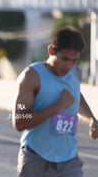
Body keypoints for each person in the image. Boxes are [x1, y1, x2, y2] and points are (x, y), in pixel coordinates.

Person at [12, 25, 98, 177]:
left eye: (74, 60)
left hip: (69, 159)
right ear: (51, 50)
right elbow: (19, 121)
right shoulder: (31, 76)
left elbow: (75, 96)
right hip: (36, 157)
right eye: (64, 59)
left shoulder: (75, 73)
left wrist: (92, 118)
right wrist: (57, 106)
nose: (69, 65)